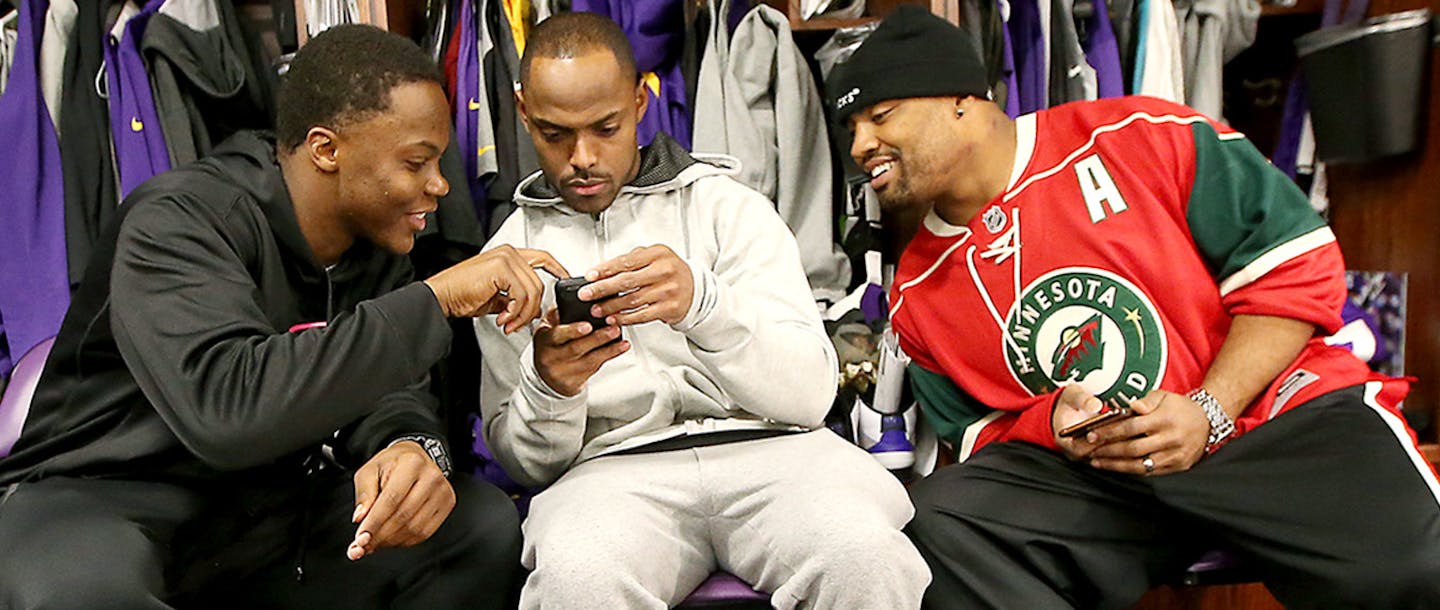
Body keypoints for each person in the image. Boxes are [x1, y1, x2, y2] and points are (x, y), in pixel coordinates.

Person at [828, 7, 1440, 609]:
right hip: (1117, 486)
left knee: (1416, 566)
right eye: (850, 126)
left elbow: (1293, 273)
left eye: (880, 116)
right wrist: (1053, 424)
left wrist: (1210, 410)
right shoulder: (916, 292)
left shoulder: (1138, 134)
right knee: (941, 525)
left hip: (1269, 426)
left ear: (961, 98)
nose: (860, 144)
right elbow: (981, 434)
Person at [0, 25, 563, 609]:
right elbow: (228, 412)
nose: (440, 185)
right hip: (100, 498)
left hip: (258, 513)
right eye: (416, 162)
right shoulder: (179, 221)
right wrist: (436, 299)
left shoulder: (375, 247)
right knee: (86, 596)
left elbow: (388, 391)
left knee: (474, 527)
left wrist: (408, 444)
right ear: (326, 149)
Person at [473, 12, 930, 610]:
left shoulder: (730, 209)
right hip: (611, 476)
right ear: (523, 110)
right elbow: (527, 464)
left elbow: (811, 396)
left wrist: (704, 305)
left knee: (865, 557)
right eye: (555, 134)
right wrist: (551, 388)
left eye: (605, 128)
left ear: (641, 101)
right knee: (576, 579)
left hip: (775, 451)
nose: (581, 157)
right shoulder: (506, 261)